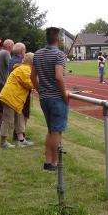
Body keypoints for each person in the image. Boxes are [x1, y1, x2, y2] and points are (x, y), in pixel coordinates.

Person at [32, 27, 68, 172]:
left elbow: (32, 77)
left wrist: (40, 90)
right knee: (56, 132)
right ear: (57, 40)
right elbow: (59, 77)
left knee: (50, 130)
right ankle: (53, 163)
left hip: (44, 98)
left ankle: (48, 162)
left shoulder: (38, 54)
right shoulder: (59, 55)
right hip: (56, 98)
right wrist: (65, 95)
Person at [0, 53, 35, 148]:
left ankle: (21, 140)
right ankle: (3, 142)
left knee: (20, 118)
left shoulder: (23, 68)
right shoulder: (25, 69)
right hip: (10, 97)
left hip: (15, 98)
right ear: (32, 61)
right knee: (8, 120)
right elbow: (29, 84)